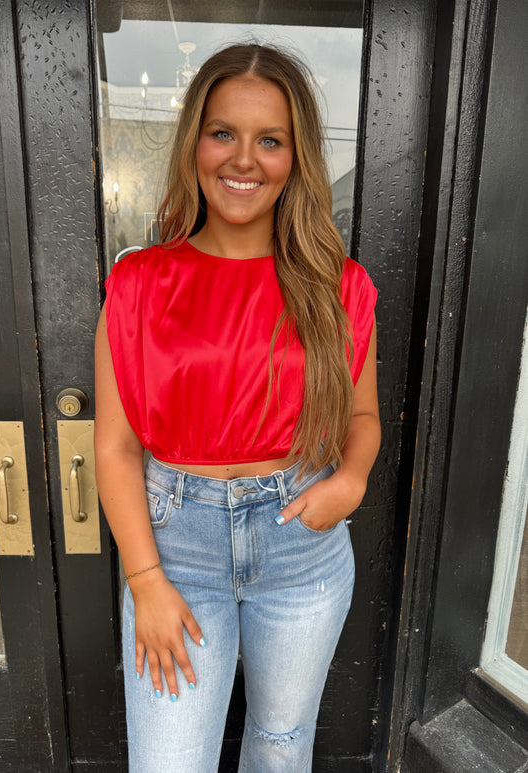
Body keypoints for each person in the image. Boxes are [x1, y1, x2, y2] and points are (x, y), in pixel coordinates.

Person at [95, 42, 380, 773]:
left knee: (281, 748)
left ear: (296, 157)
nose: (244, 159)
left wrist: (348, 484)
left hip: (301, 545)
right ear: (195, 142)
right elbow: (118, 447)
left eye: (270, 140)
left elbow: (361, 420)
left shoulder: (338, 288)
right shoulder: (139, 282)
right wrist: (146, 581)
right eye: (224, 133)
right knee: (168, 762)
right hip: (175, 550)